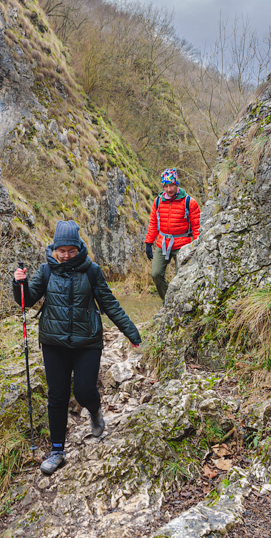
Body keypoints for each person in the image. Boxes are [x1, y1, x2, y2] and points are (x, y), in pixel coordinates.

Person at [13, 219, 141, 476]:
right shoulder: (46, 270)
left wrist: (131, 331)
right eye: (62, 251)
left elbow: (110, 303)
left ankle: (94, 410)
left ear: (79, 248)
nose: (66, 255)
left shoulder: (91, 271)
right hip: (54, 342)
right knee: (57, 397)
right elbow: (25, 301)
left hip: (87, 342)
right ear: (55, 248)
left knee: (84, 391)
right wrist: (19, 284)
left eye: (72, 250)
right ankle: (57, 451)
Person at [144, 168, 201, 303]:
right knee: (156, 274)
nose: (169, 189)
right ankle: (168, 302)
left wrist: (198, 246)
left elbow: (197, 226)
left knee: (180, 277)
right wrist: (148, 242)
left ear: (177, 184)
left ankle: (181, 304)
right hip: (162, 243)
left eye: (172, 185)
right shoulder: (158, 201)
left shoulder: (189, 202)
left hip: (183, 244)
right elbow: (153, 223)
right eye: (166, 186)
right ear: (163, 186)